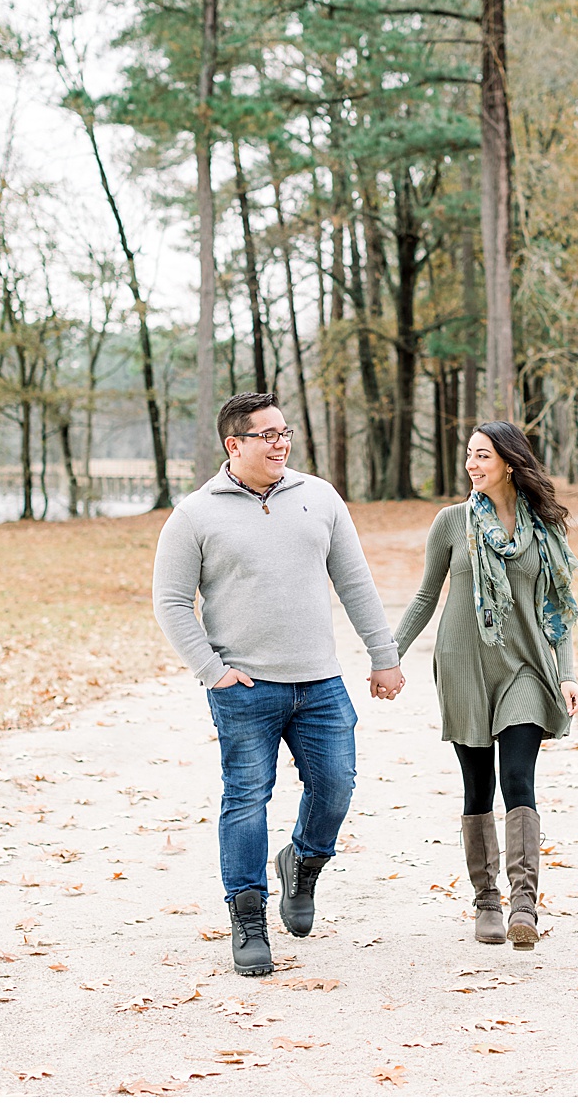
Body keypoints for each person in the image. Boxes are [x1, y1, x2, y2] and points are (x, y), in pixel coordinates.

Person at [153, 391, 404, 977]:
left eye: (284, 432)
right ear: (233, 444)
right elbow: (170, 602)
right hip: (244, 689)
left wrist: (383, 655)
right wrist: (212, 671)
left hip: (320, 683)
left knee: (336, 786)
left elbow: (356, 582)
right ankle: (247, 920)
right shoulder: (194, 514)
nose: (281, 442)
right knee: (245, 800)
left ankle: (304, 864)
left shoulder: (319, 497)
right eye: (266, 434)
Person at [394, 421, 578, 950]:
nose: (472, 465)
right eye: (469, 455)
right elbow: (424, 597)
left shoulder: (545, 528)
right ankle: (486, 903)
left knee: (518, 780)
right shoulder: (451, 523)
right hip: (463, 667)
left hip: (523, 667)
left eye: (482, 455)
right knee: (477, 787)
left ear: (508, 461)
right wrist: (387, 654)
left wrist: (566, 672)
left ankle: (524, 902)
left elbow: (559, 613)